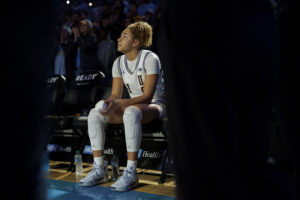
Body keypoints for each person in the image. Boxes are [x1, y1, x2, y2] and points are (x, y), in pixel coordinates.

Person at [79, 21, 165, 192]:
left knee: (131, 112)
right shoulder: (118, 62)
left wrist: (120, 103)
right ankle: (100, 169)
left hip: (156, 105)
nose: (118, 39)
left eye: (124, 36)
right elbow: (115, 96)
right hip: (134, 106)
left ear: (136, 42)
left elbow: (147, 97)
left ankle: (131, 172)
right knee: (96, 113)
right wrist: (108, 104)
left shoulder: (150, 58)